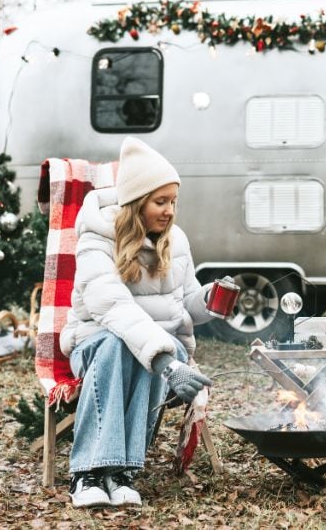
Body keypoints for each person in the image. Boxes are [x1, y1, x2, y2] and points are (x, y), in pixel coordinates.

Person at [60, 137, 214, 508]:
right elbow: (112, 307)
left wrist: (211, 300)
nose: (169, 211)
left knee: (149, 343)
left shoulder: (175, 240)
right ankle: (90, 474)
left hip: (161, 349)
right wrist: (165, 361)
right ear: (135, 202)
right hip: (97, 346)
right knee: (121, 344)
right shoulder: (96, 238)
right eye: (160, 202)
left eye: (173, 202)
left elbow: (185, 307)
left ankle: (121, 473)